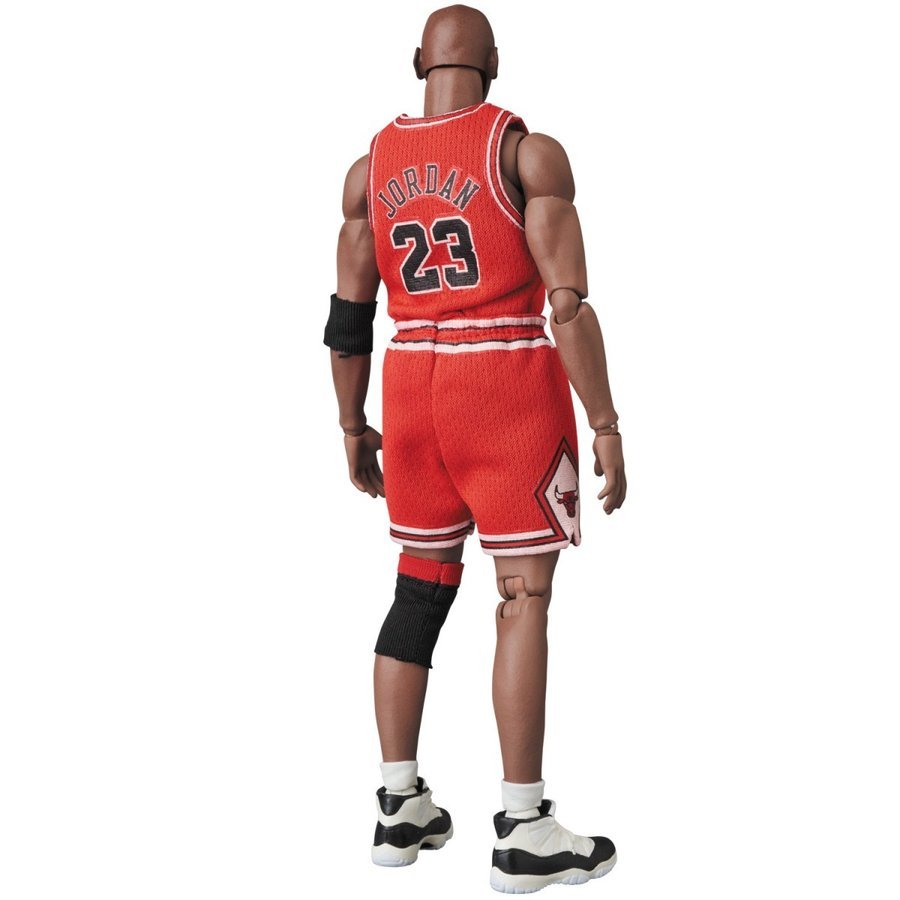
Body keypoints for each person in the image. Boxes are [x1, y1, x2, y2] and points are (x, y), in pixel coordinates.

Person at [323, 4, 626, 893]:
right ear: (494, 62)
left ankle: (398, 805)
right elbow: (566, 305)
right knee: (522, 595)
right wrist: (606, 422)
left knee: (418, 590)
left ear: (416, 61)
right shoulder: (523, 154)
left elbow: (348, 317)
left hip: (410, 384)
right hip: (502, 383)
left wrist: (351, 424)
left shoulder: (368, 170)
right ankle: (524, 828)